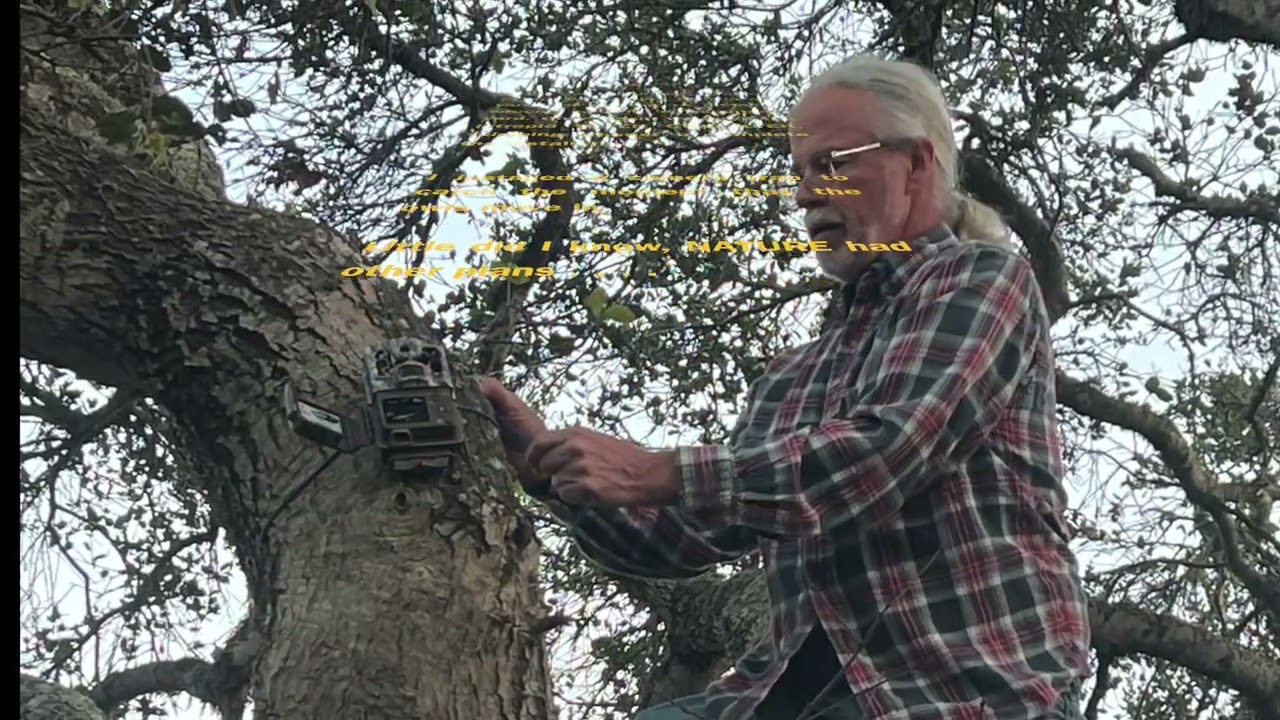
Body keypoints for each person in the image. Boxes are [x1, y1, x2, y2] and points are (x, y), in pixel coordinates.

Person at [481, 54, 1092, 720]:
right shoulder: (793, 376)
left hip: (963, 691)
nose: (804, 195)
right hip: (791, 696)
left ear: (915, 164)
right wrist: (549, 470)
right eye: (799, 174)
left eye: (832, 165)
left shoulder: (982, 279)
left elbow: (888, 452)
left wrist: (658, 470)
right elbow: (685, 537)